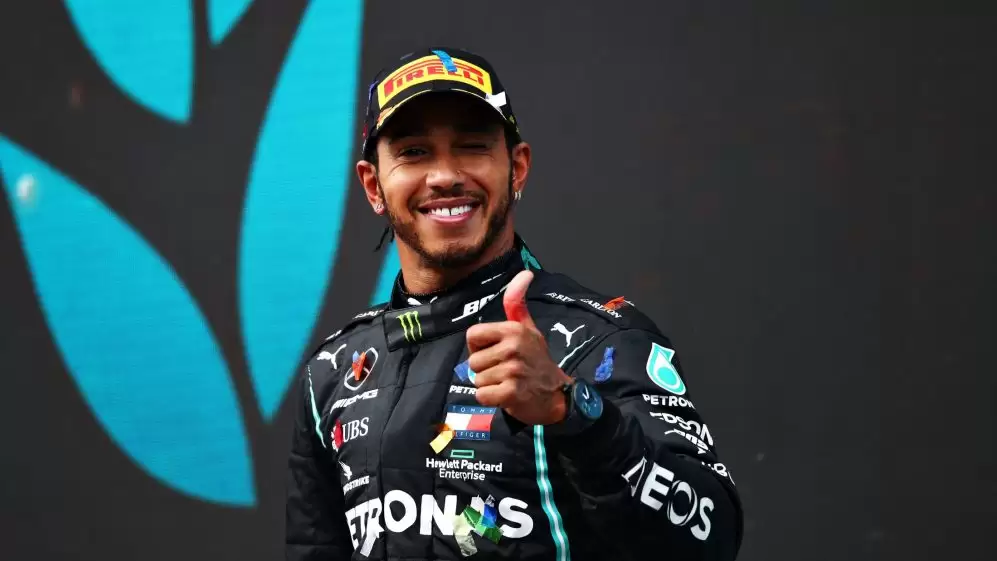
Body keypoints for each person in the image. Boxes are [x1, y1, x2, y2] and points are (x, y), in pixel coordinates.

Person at [285, 47, 743, 561]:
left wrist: (575, 411)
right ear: (374, 185)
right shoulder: (334, 371)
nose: (445, 175)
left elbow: (711, 536)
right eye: (414, 152)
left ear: (517, 169)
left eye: (472, 147)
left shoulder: (600, 342)